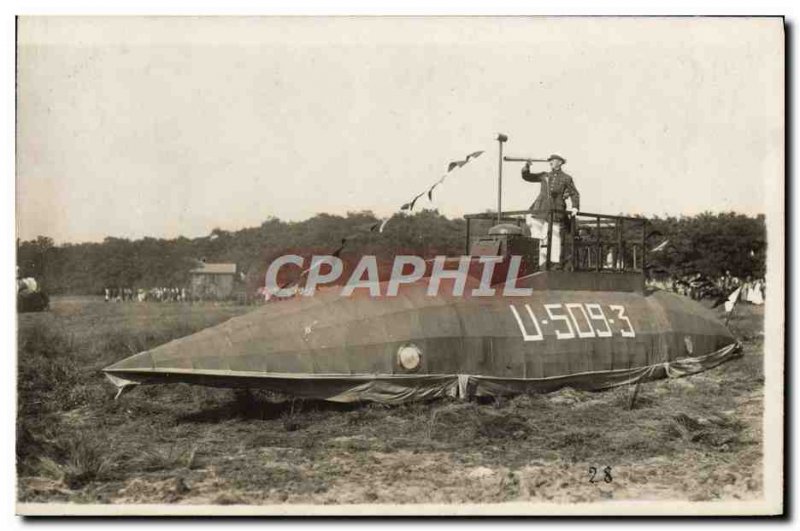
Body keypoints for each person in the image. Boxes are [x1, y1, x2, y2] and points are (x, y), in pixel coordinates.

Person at [521, 154, 580, 266]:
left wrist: (575, 207)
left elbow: (574, 193)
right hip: (540, 208)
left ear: (560, 162)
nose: (550, 162)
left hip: (556, 209)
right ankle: (539, 261)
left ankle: (554, 262)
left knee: (555, 235)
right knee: (536, 234)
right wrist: (527, 166)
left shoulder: (566, 178)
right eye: (550, 160)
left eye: (553, 160)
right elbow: (528, 177)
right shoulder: (544, 175)